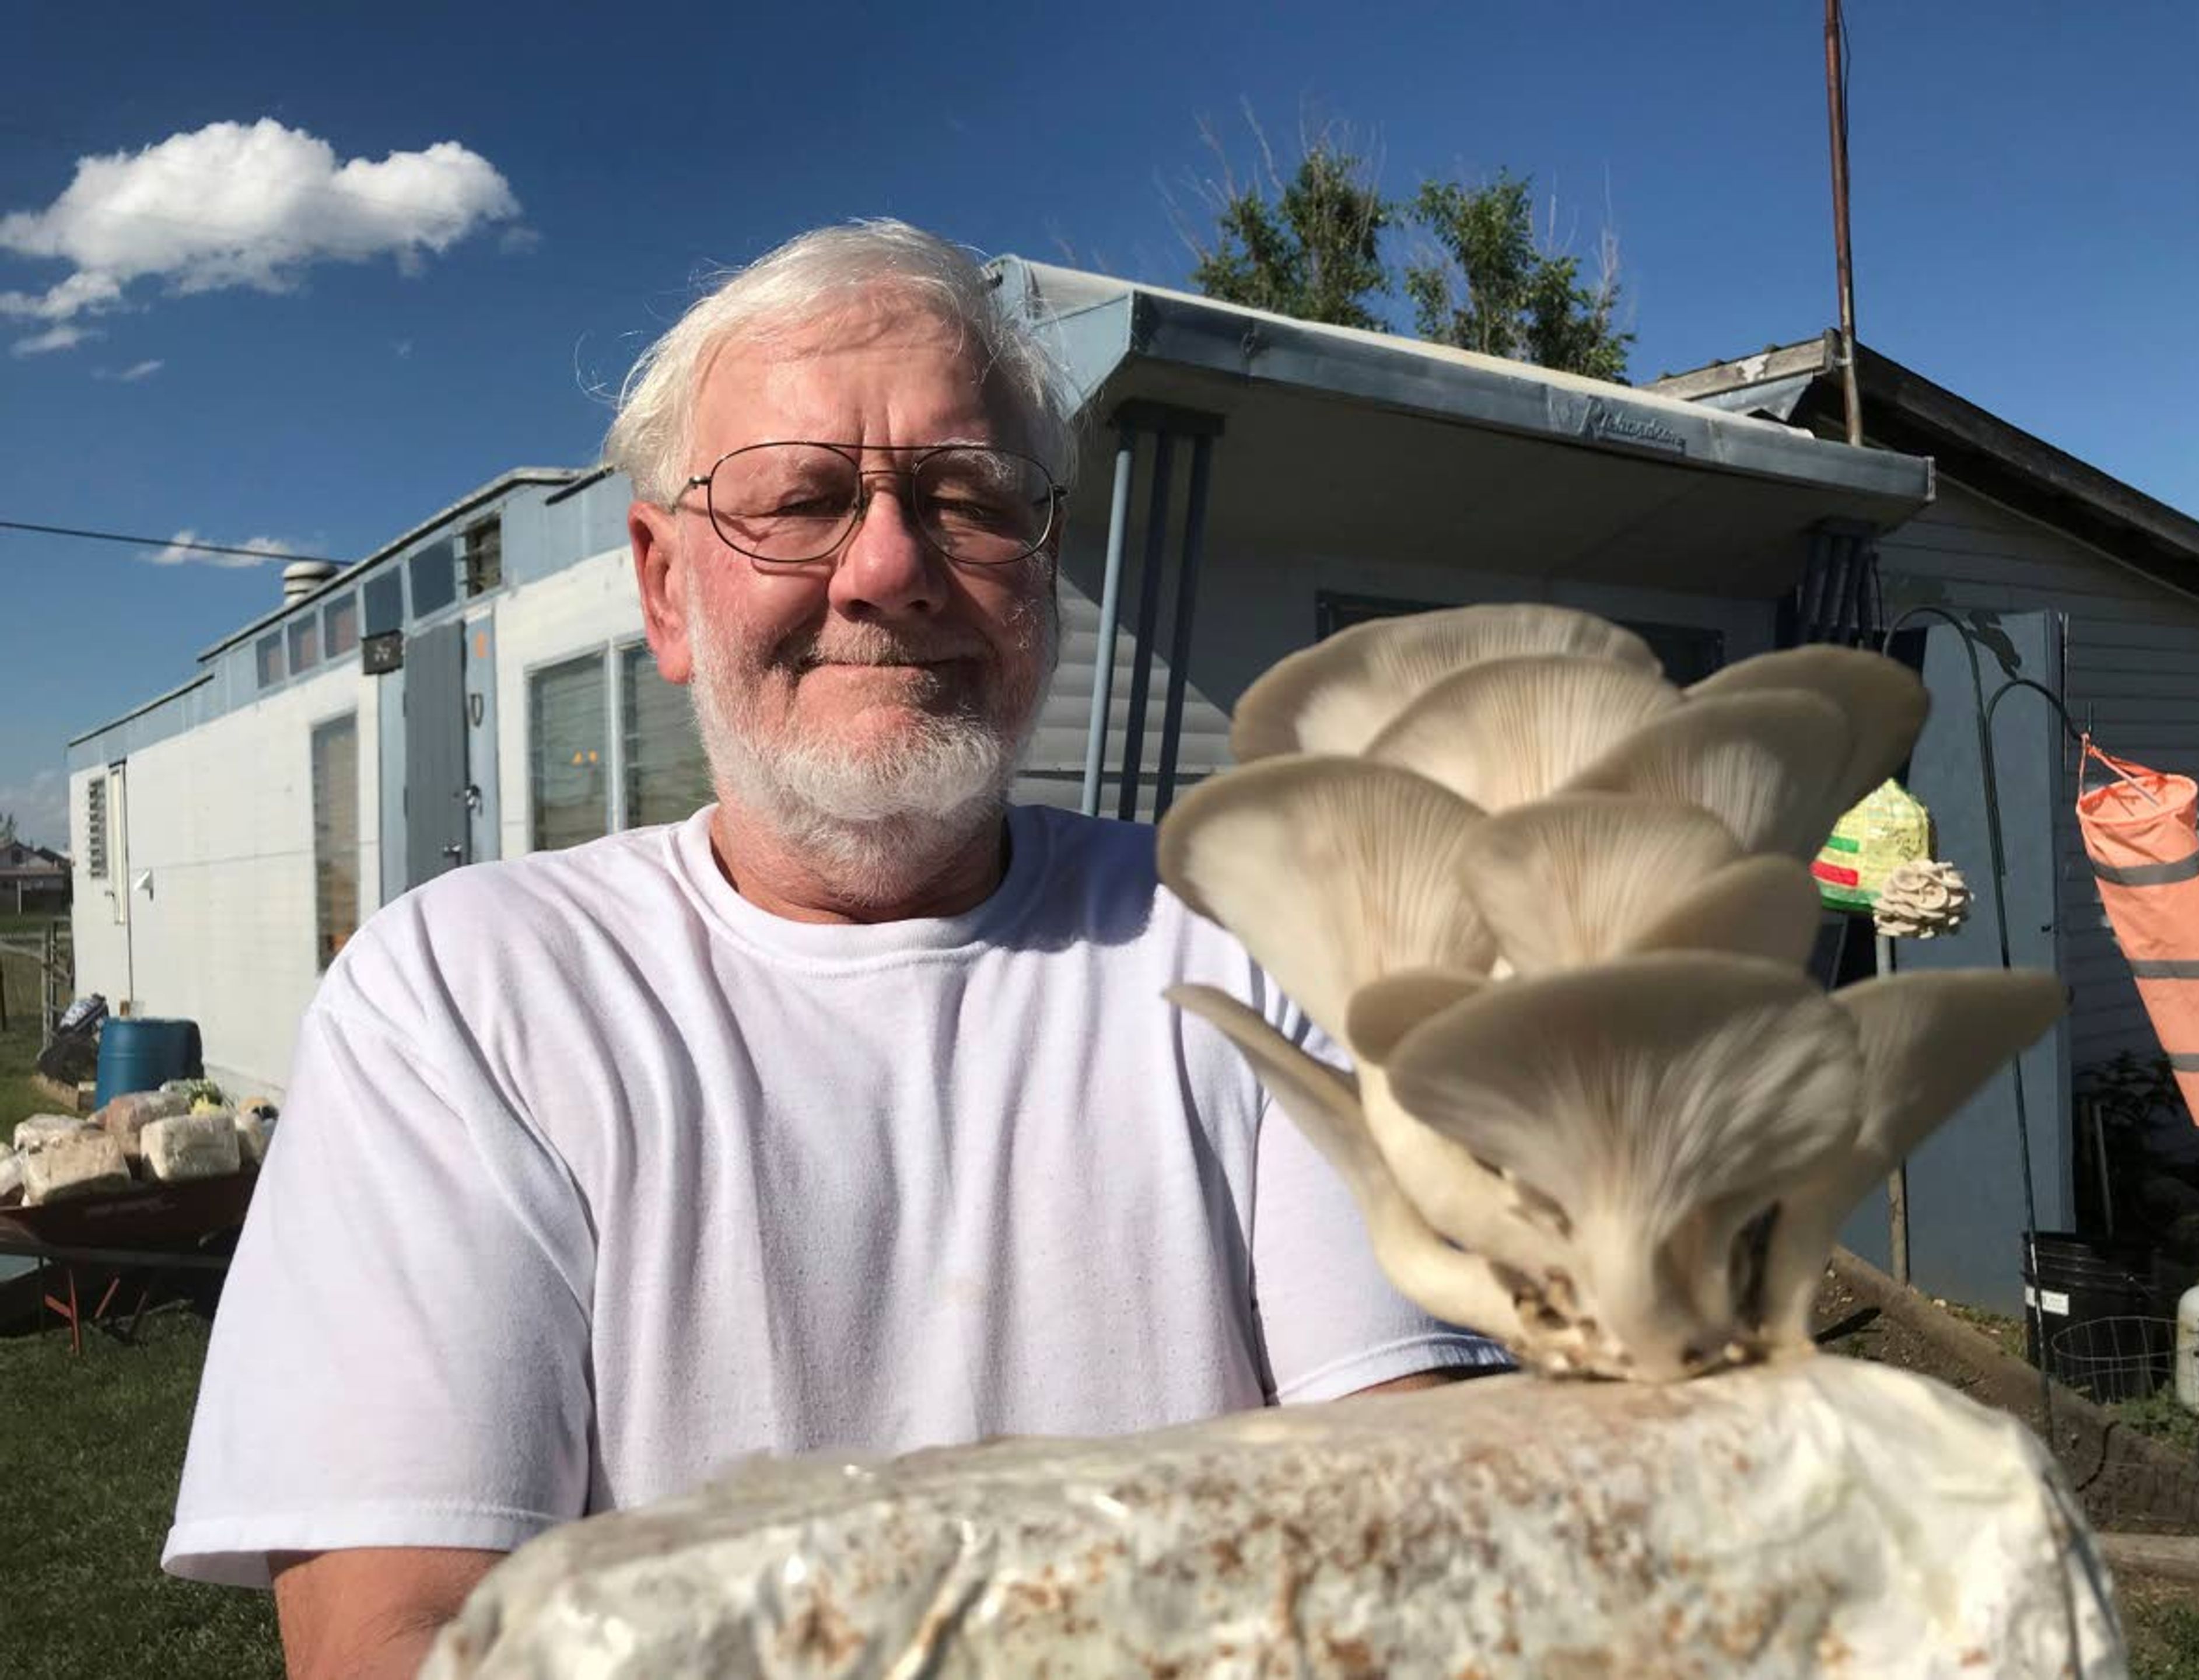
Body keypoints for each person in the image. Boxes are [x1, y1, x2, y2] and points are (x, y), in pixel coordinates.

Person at [163, 220, 1504, 1680]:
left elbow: (1417, 1524)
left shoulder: (1265, 934)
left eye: (966, 496)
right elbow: (400, 1635)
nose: (888, 567)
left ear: (1042, 566)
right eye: (800, 499)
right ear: (665, 589)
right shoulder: (470, 996)